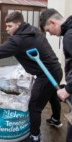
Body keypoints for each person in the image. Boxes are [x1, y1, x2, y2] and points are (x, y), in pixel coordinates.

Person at [0, 11, 63, 142]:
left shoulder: (19, 40)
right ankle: (56, 119)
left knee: (35, 106)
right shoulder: (34, 31)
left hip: (45, 76)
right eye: (6, 26)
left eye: (10, 26)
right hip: (56, 70)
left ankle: (35, 136)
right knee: (52, 96)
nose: (7, 29)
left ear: (19, 24)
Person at [40, 8, 72, 142]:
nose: (51, 35)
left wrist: (69, 89)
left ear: (53, 22)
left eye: (48, 30)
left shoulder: (70, 36)